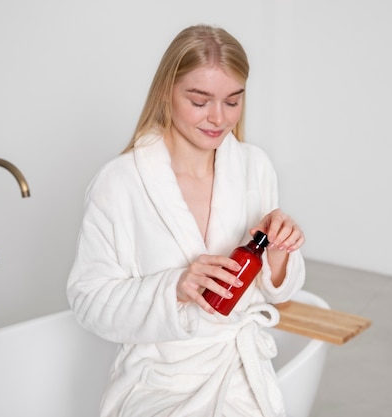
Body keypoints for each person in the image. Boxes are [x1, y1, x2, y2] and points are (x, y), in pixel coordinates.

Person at [67, 24, 306, 417]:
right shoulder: (119, 183)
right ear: (167, 92)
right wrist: (174, 288)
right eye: (199, 100)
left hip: (241, 376)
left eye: (233, 101)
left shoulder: (254, 167)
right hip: (158, 383)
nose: (218, 117)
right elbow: (88, 301)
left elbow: (277, 291)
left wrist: (279, 251)